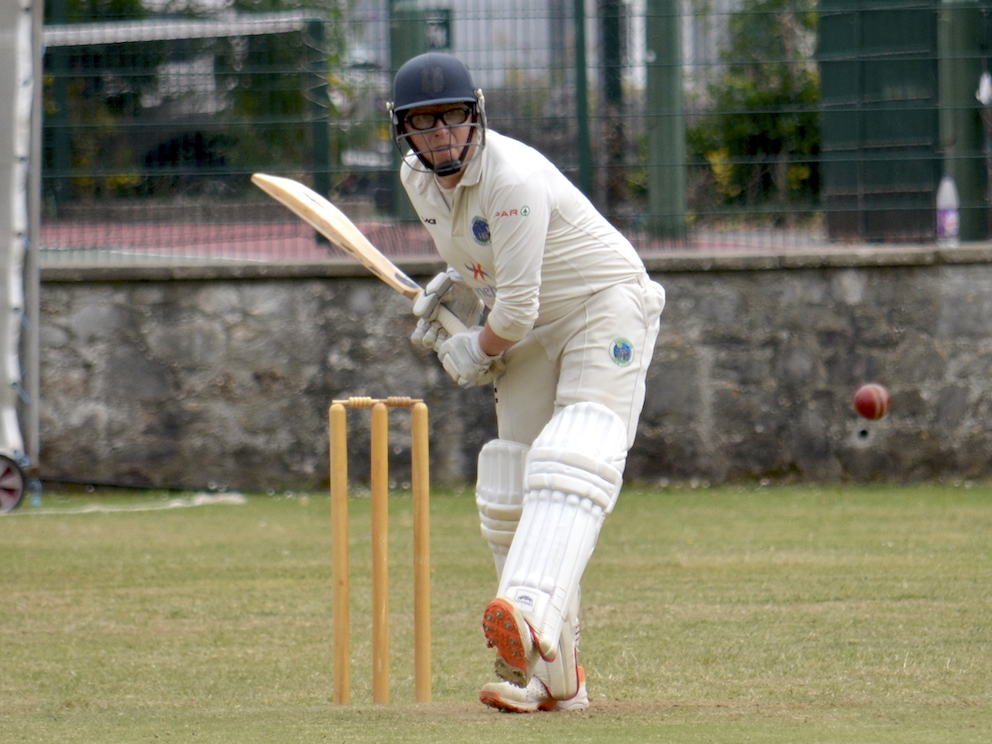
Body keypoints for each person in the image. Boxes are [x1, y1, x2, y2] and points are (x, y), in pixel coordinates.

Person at [388, 52, 666, 713]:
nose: (441, 137)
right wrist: (450, 297)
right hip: (531, 325)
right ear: (404, 132)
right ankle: (555, 681)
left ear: (475, 114)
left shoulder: (509, 179)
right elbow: (486, 269)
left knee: (574, 449)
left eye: (452, 119)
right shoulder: (416, 178)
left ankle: (528, 611)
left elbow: (514, 310)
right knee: (509, 479)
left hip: (604, 304)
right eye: (423, 125)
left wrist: (471, 349)